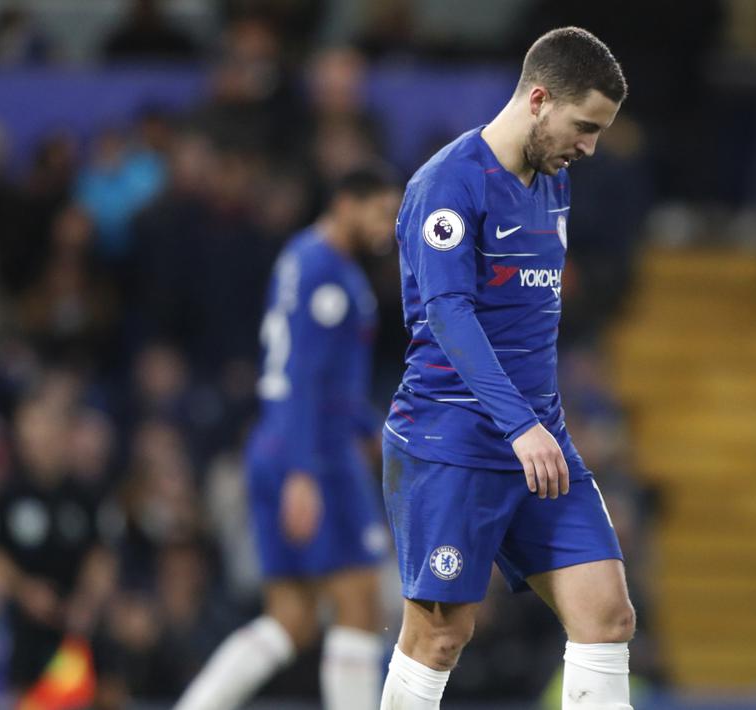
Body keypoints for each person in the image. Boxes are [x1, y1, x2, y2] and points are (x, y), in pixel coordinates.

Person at [379, 27, 635, 710]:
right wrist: (519, 424)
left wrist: (535, 424)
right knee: (438, 635)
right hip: (452, 441)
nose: (588, 146)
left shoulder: (552, 183)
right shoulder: (447, 184)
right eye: (583, 126)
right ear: (539, 99)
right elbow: (448, 317)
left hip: (537, 441)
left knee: (607, 615)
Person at [173, 165, 401, 710]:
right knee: (360, 603)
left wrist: (372, 431)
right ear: (346, 203)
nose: (387, 226)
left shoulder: (299, 255)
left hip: (276, 444)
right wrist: (304, 471)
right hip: (315, 454)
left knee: (292, 619)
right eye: (380, 211)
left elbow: (322, 377)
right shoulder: (330, 272)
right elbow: (302, 374)